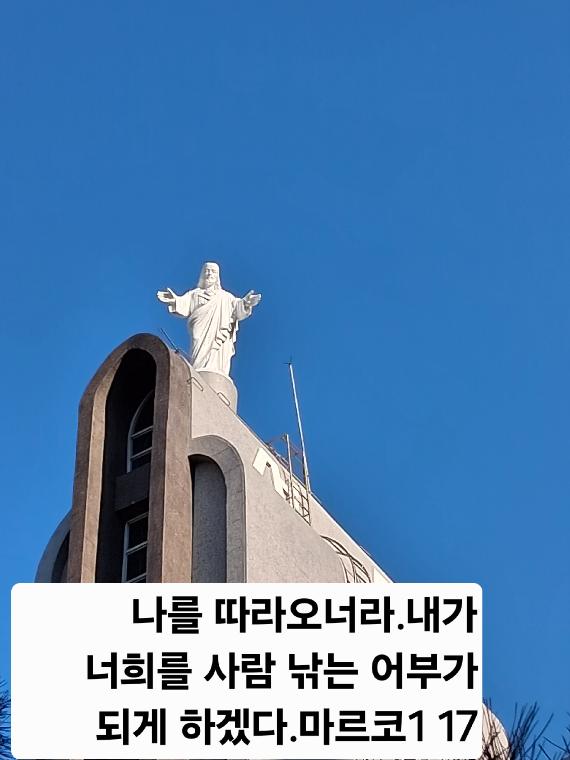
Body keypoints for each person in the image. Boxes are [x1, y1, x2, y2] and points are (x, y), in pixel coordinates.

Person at [157, 262, 261, 377]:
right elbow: (184, 304)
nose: (209, 273)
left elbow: (237, 308)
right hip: (200, 329)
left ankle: (216, 373)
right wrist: (174, 300)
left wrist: (246, 303)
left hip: (219, 332)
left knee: (218, 354)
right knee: (198, 350)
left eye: (213, 271)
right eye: (207, 270)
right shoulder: (194, 294)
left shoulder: (225, 297)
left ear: (217, 276)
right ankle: (198, 374)